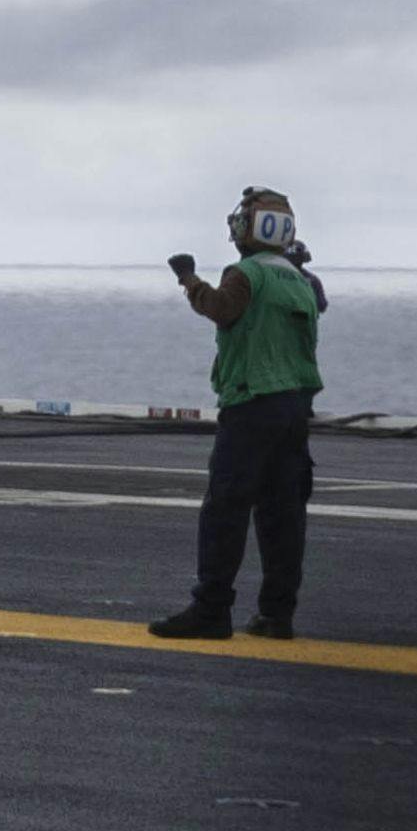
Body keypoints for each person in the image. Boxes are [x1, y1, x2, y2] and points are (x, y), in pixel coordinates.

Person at [150, 186, 326, 640]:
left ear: (246, 228)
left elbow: (221, 309)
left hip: (251, 404)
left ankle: (211, 609)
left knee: (226, 507)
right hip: (294, 409)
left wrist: (188, 279)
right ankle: (276, 613)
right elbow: (316, 307)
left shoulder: (245, 273)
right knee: (283, 513)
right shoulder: (302, 280)